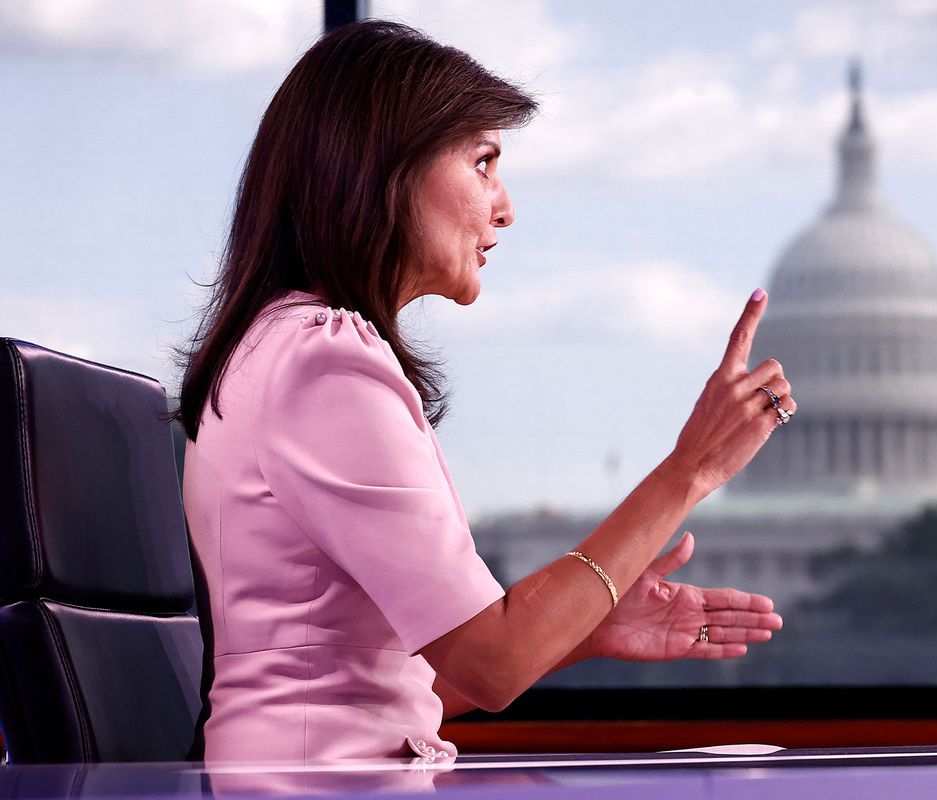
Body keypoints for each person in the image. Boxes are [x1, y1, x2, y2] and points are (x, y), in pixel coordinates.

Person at [175, 19, 797, 764]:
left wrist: (582, 626)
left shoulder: (285, 349)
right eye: (483, 163)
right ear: (386, 169)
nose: (504, 208)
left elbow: (403, 684)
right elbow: (493, 666)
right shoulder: (325, 369)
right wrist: (690, 469)